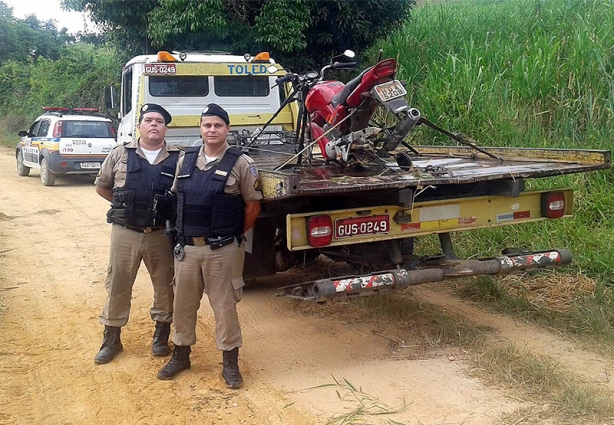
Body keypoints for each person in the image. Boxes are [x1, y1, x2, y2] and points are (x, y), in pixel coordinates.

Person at [157, 103, 262, 389]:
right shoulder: (186, 160)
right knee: (183, 305)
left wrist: (232, 234)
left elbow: (253, 206)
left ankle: (230, 362)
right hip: (187, 248)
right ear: (200, 129)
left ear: (227, 129)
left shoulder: (241, 162)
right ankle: (181, 355)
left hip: (223, 250)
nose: (212, 130)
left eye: (218, 125)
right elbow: (178, 198)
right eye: (207, 125)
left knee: (225, 307)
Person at [93, 103, 179, 364]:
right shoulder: (120, 153)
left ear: (165, 128)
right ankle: (112, 339)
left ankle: (161, 337)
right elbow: (102, 187)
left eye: (160, 121)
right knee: (118, 283)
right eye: (149, 120)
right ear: (139, 126)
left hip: (160, 234)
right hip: (125, 232)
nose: (154, 124)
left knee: (165, 285)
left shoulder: (179, 158)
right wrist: (125, 209)